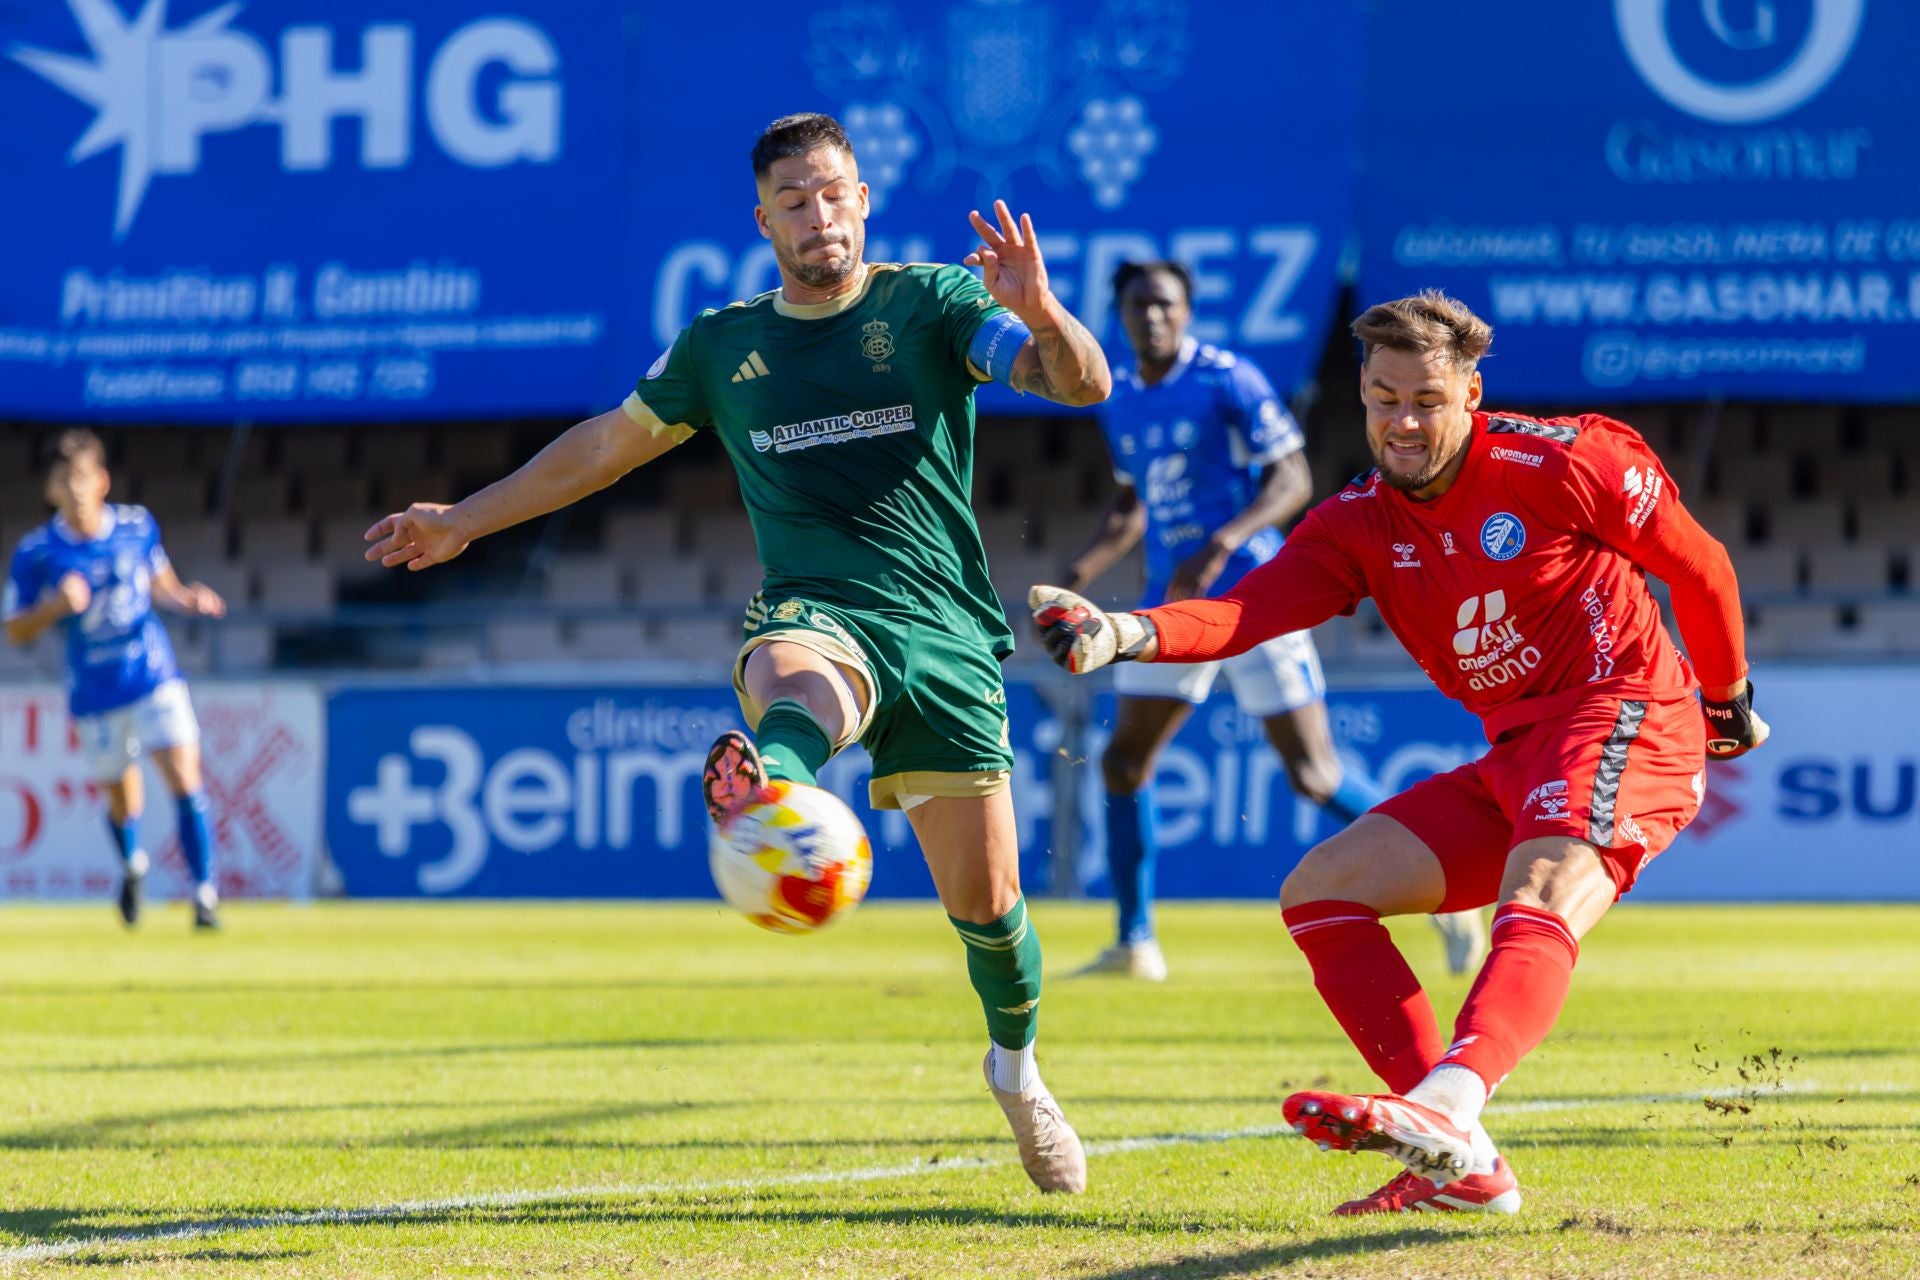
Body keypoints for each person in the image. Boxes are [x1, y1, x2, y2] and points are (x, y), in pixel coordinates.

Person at [365, 113, 1112, 1194]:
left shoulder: (935, 303)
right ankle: (776, 789)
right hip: (817, 604)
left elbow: (1081, 382)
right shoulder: (722, 345)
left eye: (833, 193)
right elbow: (604, 446)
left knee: (992, 910)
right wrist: (466, 519)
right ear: (762, 220)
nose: (819, 215)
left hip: (949, 633)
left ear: (863, 200)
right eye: (795, 201)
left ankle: (1016, 1069)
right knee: (800, 672)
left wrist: (1038, 306)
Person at [1028, 290, 1767, 1215]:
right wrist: (1123, 632)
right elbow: (1249, 611)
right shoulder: (1358, 524)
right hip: (1516, 752)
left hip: (1628, 714)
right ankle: (1462, 1163)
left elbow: (1697, 565)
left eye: (1425, 400)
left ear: (1471, 393)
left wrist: (1728, 696)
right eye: (1383, 400)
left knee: (1539, 893)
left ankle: (1449, 1109)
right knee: (1321, 890)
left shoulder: (1567, 460)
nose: (1403, 423)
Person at [1056, 260, 1485, 982]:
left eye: (1165, 303)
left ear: (1188, 311)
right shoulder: (1121, 396)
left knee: (1314, 774)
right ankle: (1135, 943)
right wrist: (1078, 576)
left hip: (1259, 593)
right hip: (1175, 606)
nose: (1152, 317)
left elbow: (1293, 477)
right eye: (1138, 305)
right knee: (1124, 762)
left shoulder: (1228, 378)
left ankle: (1445, 890)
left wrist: (1222, 541)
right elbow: (1132, 503)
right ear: (1121, 314)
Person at [4, 429, 228, 929]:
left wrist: (186, 597)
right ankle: (133, 865)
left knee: (184, 776)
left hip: (152, 674)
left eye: (82, 476)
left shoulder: (136, 526)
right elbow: (15, 630)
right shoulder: (37, 553)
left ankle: (204, 895)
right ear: (50, 491)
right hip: (95, 692)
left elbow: (160, 584)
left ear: (102, 481)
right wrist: (55, 607)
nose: (75, 488)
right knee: (123, 800)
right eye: (64, 480)